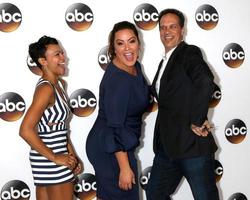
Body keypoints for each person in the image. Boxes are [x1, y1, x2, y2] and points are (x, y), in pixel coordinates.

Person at [146, 9, 219, 200]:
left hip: (192, 147)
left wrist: (197, 119)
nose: (166, 31)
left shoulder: (188, 52)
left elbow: (205, 81)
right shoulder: (165, 61)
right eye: (162, 27)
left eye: (172, 26)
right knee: (154, 193)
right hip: (167, 149)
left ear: (182, 30)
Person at [86, 21, 150, 200]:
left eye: (131, 41)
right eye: (120, 43)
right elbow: (115, 127)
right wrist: (124, 167)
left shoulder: (134, 67)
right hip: (110, 145)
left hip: (121, 142)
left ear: (139, 43)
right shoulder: (117, 81)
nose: (127, 48)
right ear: (113, 48)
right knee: (121, 193)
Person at [19, 36, 83, 200]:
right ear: (43, 61)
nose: (63, 58)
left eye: (62, 53)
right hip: (51, 160)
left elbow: (59, 130)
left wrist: (72, 155)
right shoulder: (46, 89)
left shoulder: (60, 85)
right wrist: (55, 157)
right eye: (57, 55)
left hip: (54, 157)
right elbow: (25, 130)